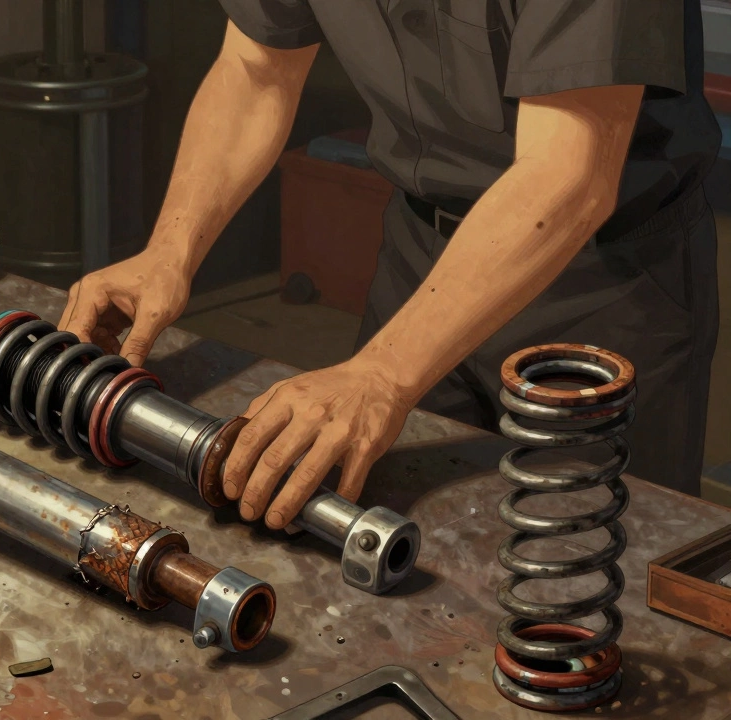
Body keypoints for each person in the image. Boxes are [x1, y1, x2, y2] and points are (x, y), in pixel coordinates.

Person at [57, 0, 722, 530]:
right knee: (377, 536)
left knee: (588, 582)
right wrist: (169, 252)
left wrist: (381, 374)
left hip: (598, 284)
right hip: (420, 256)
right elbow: (256, 73)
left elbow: (568, 177)